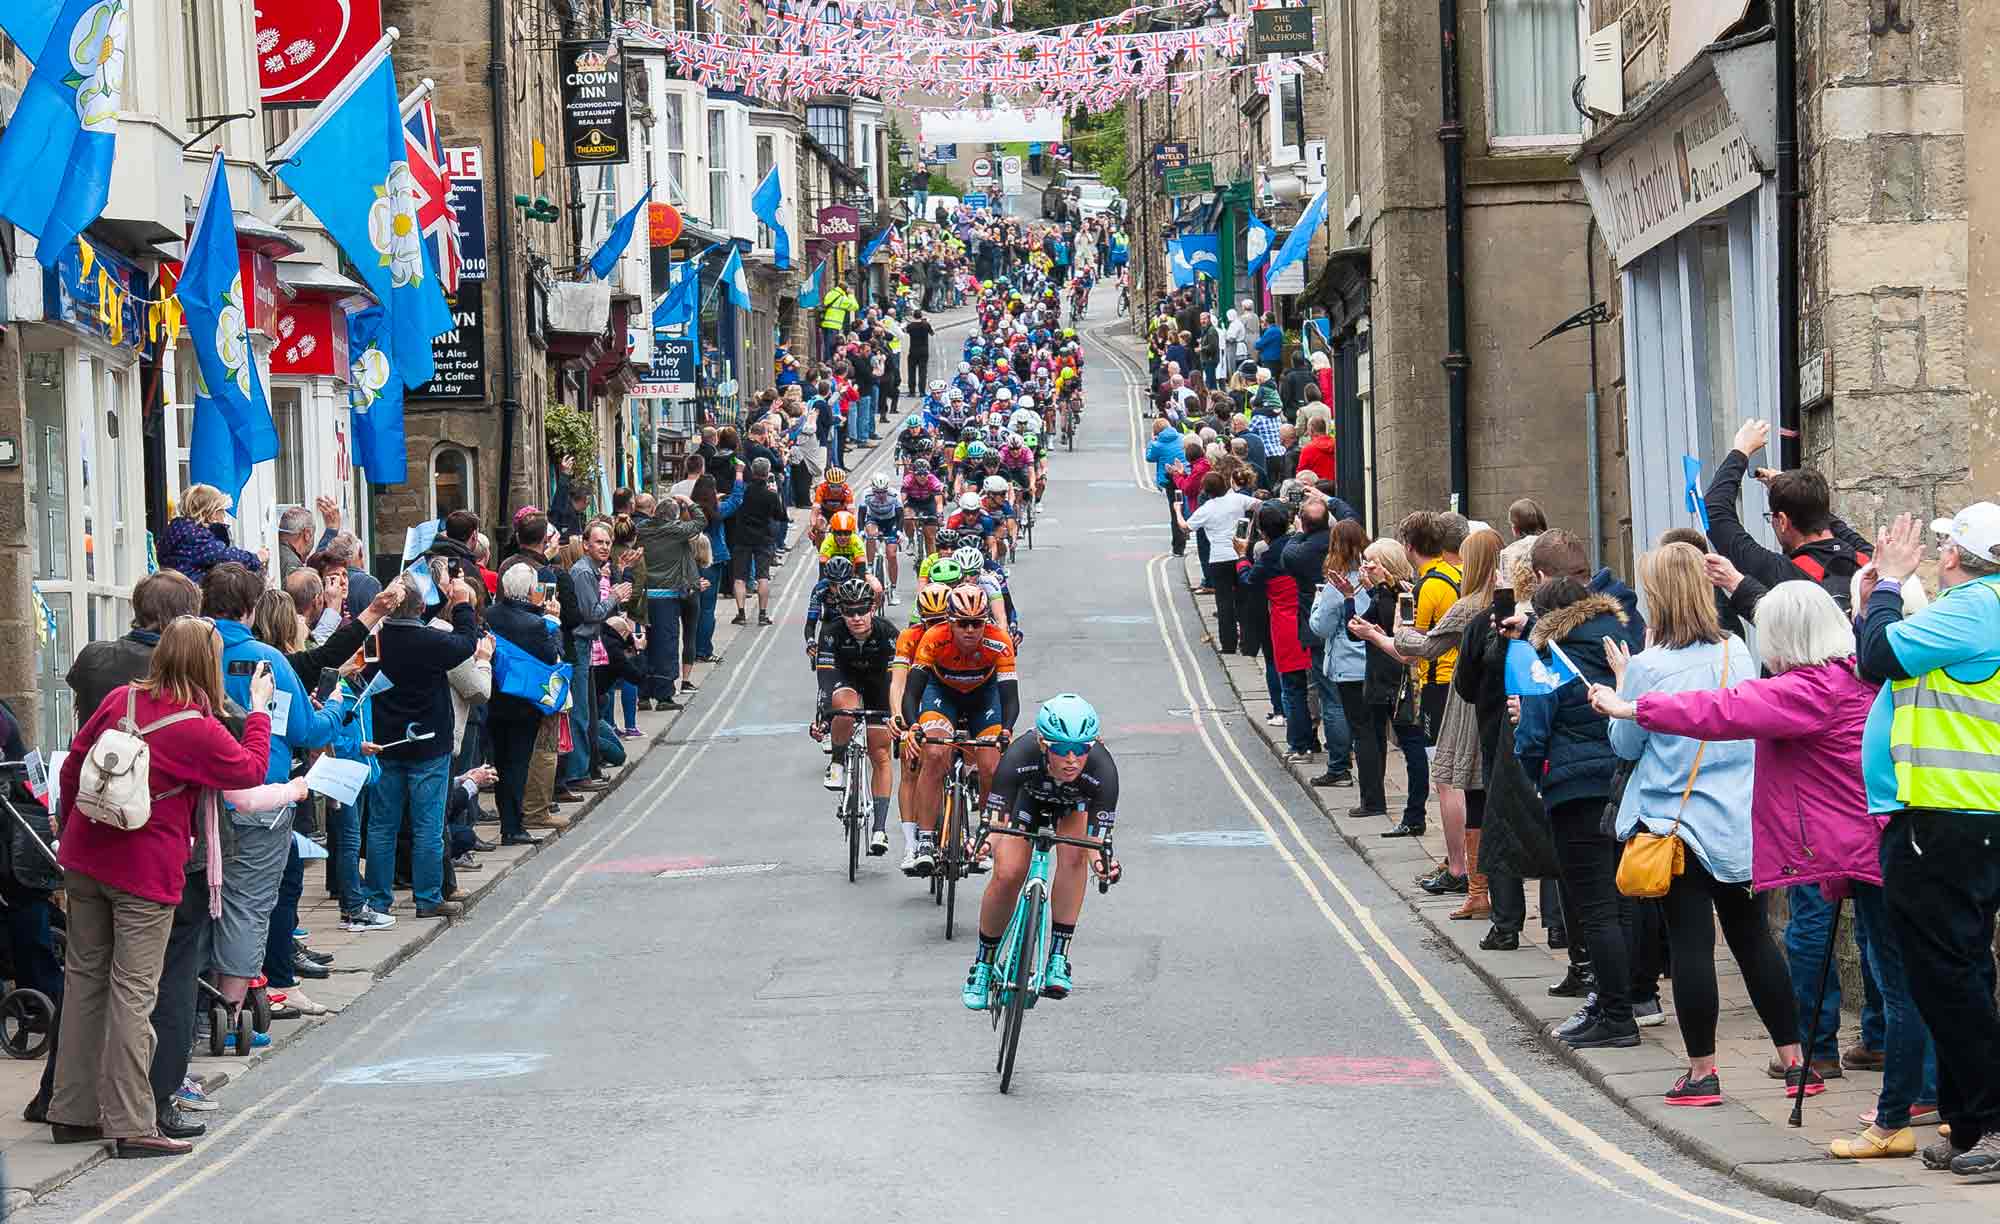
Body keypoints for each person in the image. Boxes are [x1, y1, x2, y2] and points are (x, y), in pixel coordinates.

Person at [1595, 575, 1935, 1146]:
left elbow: (1720, 710)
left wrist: (1631, 705)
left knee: (1899, 983)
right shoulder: (1856, 672)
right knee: (1913, 977)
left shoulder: (1809, 689)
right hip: (1887, 840)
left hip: (1865, 850)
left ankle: (1897, 1117)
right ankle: (1928, 1097)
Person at [1582, 543, 1811, 1096]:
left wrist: (1618, 688)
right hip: (1737, 819)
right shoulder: (1736, 648)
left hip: (1675, 825)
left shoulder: (1648, 666)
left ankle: (1704, 1072)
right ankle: (1795, 1062)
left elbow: (1627, 742)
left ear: (1657, 596)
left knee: (1690, 945)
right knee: (1753, 938)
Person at [50, 616, 275, 1158]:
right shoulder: (195, 726)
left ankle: (72, 1111)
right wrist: (261, 709)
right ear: (206, 665)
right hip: (144, 871)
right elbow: (249, 770)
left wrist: (68, 832)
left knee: (84, 983)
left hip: (86, 857)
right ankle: (130, 1122)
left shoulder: (122, 701)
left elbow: (74, 766)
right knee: (134, 992)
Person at [1856, 506, 2000, 1177]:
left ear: (1951, 555)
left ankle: (1991, 1125)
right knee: (1956, 975)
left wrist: (1886, 584)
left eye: (1943, 545)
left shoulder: (1976, 606)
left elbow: (1876, 655)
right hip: (1959, 820)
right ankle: (1968, 1124)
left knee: (1949, 980)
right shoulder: (1973, 609)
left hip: (1946, 821)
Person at [1511, 529, 1648, 1047]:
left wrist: (1533, 769)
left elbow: (1533, 731)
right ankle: (1624, 999)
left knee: (1594, 907)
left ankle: (1616, 1017)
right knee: (1624, 899)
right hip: (1624, 777)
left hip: (1574, 786)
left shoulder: (1544, 652)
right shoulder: (1621, 635)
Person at [961, 695, 1121, 1007]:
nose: (1072, 758)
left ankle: (1058, 958)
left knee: (1075, 856)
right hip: (1026, 802)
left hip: (1074, 806)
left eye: (1082, 748)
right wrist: (979, 847)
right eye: (1061, 749)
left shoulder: (1103, 771)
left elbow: (1097, 843)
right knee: (1008, 874)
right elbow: (996, 822)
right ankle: (982, 965)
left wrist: (1103, 866)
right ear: (1044, 744)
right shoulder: (1021, 754)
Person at [364, 573, 481, 920]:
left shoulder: (375, 641)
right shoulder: (430, 642)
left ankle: (378, 899)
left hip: (385, 742)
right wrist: (461, 605)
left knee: (382, 826)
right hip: (429, 742)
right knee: (427, 825)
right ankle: (428, 897)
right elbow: (465, 644)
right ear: (420, 608)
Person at [1704, 418, 1872, 610]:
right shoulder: (1869, 561)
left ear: (1782, 521)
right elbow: (1828, 519)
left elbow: (1715, 512)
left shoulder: (1784, 575)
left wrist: (1740, 451)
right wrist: (1795, 492)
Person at [812, 578, 900, 856]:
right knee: (845, 709)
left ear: (872, 608)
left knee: (880, 753)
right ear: (841, 611)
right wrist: (826, 719)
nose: (856, 617)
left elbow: (896, 681)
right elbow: (825, 681)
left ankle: (880, 829)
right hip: (845, 681)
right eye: (849, 611)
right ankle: (837, 763)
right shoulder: (830, 632)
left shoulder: (888, 633)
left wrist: (897, 716)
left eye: (861, 610)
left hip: (879, 685)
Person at [487, 563, 562, 848]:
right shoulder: (537, 624)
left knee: (502, 763)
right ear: (532, 591)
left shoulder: (489, 615)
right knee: (517, 764)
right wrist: (554, 623)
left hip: (494, 700)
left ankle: (509, 821)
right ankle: (513, 827)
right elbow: (553, 656)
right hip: (523, 703)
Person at [634, 492, 706, 705]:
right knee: (666, 645)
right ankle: (665, 694)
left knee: (644, 645)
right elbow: (700, 521)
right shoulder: (676, 531)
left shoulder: (641, 530)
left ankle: (644, 694)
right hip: (667, 596)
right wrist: (689, 501)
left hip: (644, 596)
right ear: (674, 517)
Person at [1182, 471, 1255, 653]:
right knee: (1244, 600)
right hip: (1240, 554)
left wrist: (1177, 510)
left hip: (1219, 558)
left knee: (1224, 603)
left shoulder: (1206, 509)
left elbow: (1186, 528)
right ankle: (1248, 645)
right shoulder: (1238, 499)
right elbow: (1260, 505)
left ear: (1206, 491)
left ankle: (1228, 645)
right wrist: (1250, 526)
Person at [158, 484, 262, 584]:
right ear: (211, 513)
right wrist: (256, 558)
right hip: (190, 594)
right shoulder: (197, 537)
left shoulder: (176, 529)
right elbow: (227, 556)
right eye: (221, 511)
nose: (224, 516)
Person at [731, 457, 786, 627]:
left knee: (739, 577)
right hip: (764, 538)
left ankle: (741, 614)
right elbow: (781, 516)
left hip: (742, 538)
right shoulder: (770, 495)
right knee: (763, 576)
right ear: (767, 473)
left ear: (753, 472)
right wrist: (776, 494)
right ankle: (762, 615)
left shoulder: (744, 492)